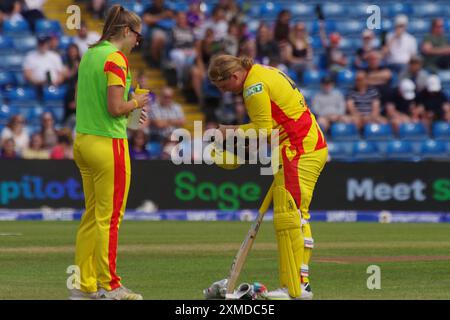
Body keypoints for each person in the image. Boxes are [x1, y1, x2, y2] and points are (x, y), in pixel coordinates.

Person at [208, 54, 328, 300]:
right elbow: (271, 127)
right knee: (295, 215)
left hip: (298, 148)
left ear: (234, 76)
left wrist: (227, 131)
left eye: (223, 86)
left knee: (290, 217)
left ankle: (295, 288)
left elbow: (262, 130)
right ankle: (300, 285)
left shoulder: (253, 86)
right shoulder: (263, 72)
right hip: (304, 144)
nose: (224, 92)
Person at [71, 5, 149, 300]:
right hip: (108, 144)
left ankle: (85, 284)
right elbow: (115, 108)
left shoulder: (91, 54)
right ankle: (110, 285)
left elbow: (97, 101)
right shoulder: (116, 59)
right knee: (110, 218)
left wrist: (128, 107)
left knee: (92, 216)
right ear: (126, 31)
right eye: (137, 36)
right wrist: (136, 104)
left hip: (84, 140)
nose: (138, 42)